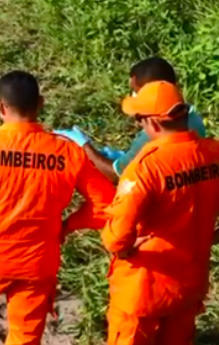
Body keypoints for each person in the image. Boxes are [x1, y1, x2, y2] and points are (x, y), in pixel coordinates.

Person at [0, 71, 115, 345]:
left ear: (0, 106)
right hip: (38, 262)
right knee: (25, 337)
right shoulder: (66, 152)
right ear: (40, 104)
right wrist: (68, 226)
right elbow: (106, 203)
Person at [101, 80, 219, 345]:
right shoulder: (213, 153)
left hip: (143, 289)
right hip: (190, 284)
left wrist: (122, 247)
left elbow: (116, 238)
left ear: (152, 124)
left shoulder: (145, 168)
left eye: (139, 120)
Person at [55, 57, 207, 183]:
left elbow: (117, 176)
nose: (134, 96)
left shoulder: (156, 132)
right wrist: (125, 157)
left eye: (136, 91)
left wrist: (85, 147)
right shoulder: (191, 115)